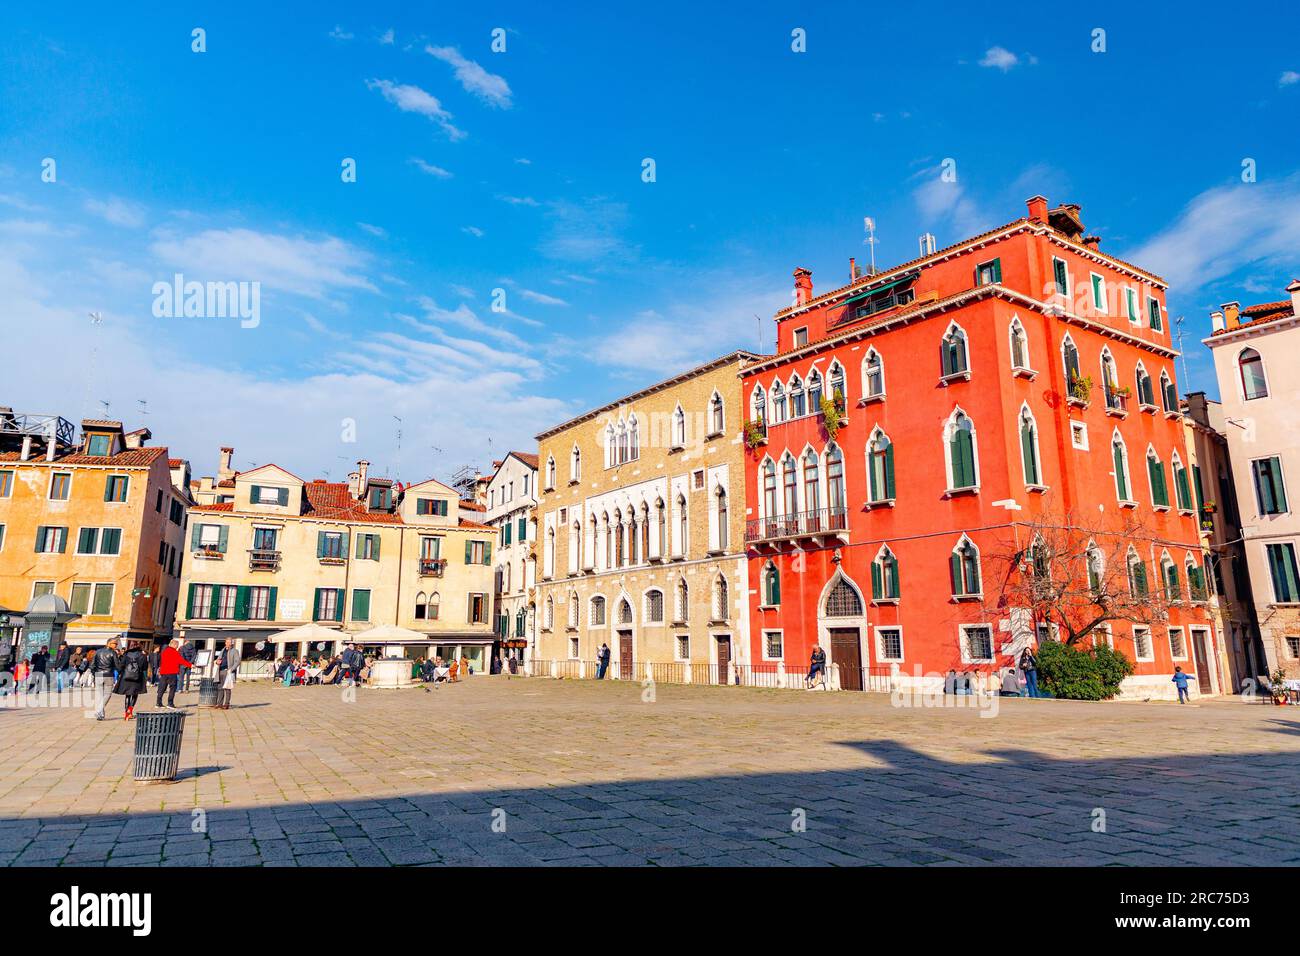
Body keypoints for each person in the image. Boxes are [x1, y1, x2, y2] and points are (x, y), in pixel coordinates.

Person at [114, 641, 148, 719]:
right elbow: (144, 667)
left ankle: (126, 713)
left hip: (126, 677)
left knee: (127, 695)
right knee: (135, 694)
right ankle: (130, 710)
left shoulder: (126, 655)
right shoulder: (142, 655)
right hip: (137, 677)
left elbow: (121, 665)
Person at [155, 638, 191, 708]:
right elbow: (181, 661)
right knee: (172, 688)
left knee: (162, 688)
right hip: (172, 672)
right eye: (177, 645)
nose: (177, 646)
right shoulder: (175, 652)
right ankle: (170, 703)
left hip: (164, 672)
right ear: (174, 645)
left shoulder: (164, 651)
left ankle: (158, 703)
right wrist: (191, 665)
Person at [91, 639, 120, 720]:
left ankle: (101, 715)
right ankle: (99, 711)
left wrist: (94, 674)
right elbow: (117, 665)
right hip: (108, 674)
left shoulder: (98, 651)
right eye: (115, 644)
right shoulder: (112, 652)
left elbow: (92, 664)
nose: (116, 645)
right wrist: (120, 672)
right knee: (107, 694)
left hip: (98, 674)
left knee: (100, 696)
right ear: (109, 643)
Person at [217, 639, 241, 710]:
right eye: (227, 642)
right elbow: (219, 659)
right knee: (220, 688)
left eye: (230, 642)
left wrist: (231, 669)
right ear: (225, 643)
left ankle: (226, 704)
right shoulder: (223, 650)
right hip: (220, 670)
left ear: (232, 643)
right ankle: (219, 704)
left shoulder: (235, 651)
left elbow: (237, 661)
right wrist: (217, 662)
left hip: (228, 671)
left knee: (227, 688)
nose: (228, 643)